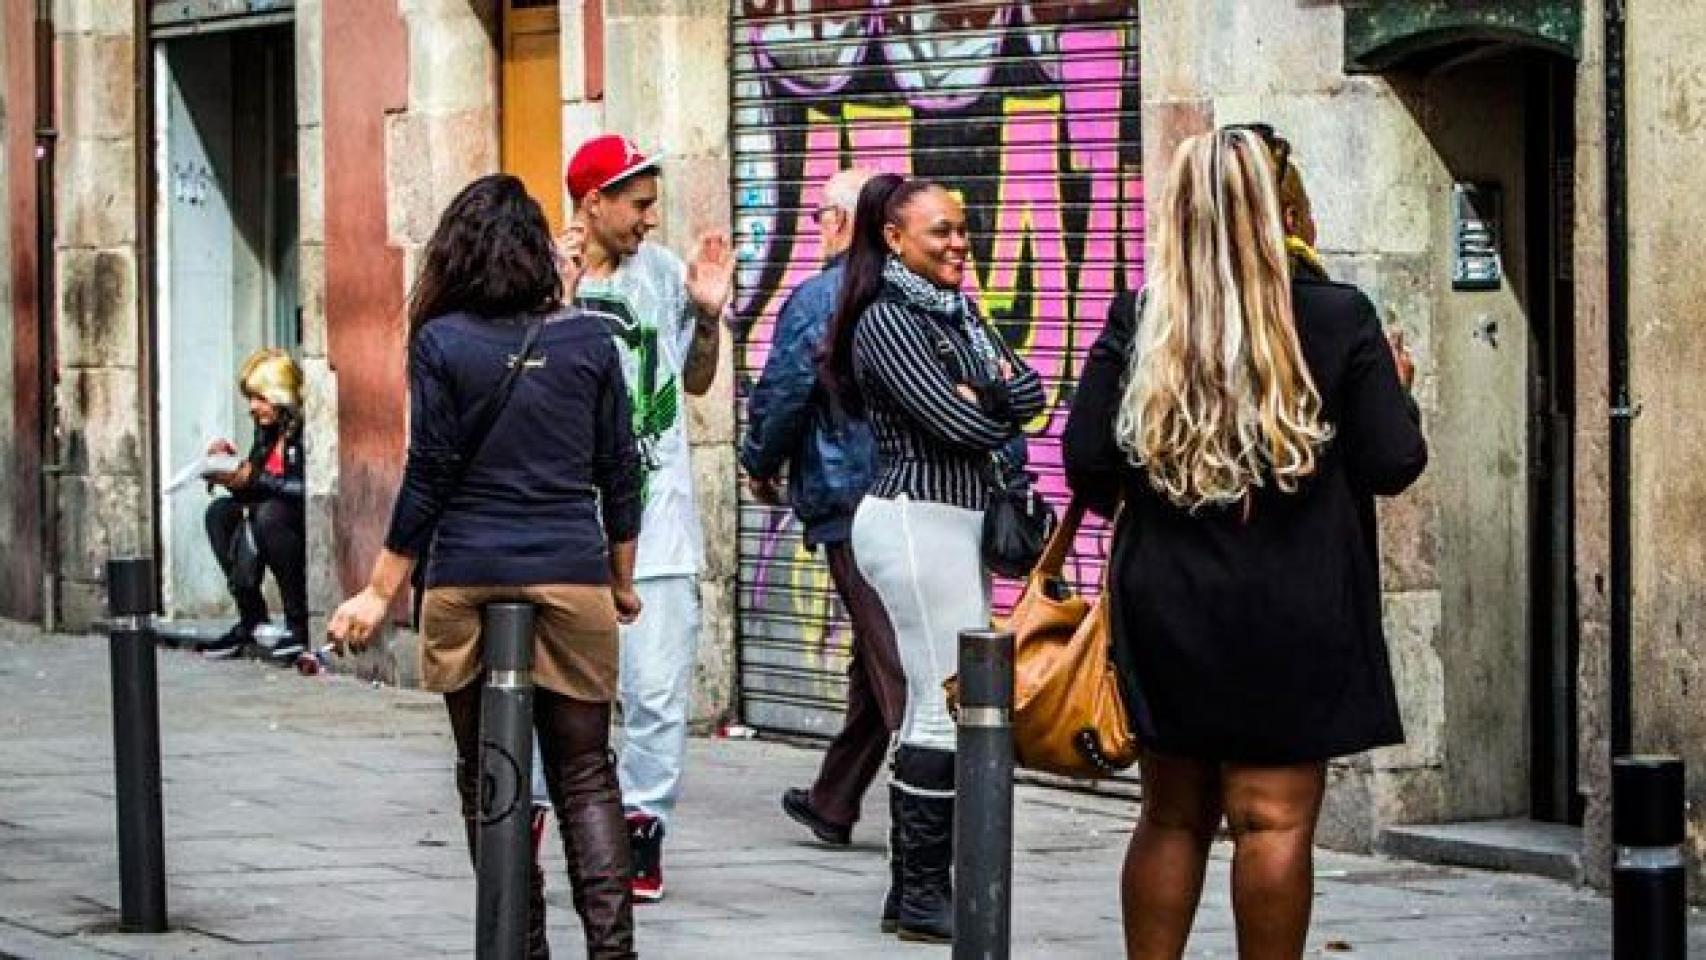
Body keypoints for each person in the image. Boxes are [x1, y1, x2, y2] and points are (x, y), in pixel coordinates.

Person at [1062, 128, 1426, 959]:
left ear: (1177, 217)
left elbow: (1085, 460)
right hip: (1296, 605)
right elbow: (1391, 461)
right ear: (1278, 211)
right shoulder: (1339, 318)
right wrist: (1395, 392)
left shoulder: (1141, 316)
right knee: (1273, 821)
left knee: (1171, 815)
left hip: (1170, 606)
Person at [327, 174, 643, 959]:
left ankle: (517, 944)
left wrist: (379, 588)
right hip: (573, 574)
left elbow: (428, 472)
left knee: (487, 770)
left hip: (466, 577)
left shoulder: (441, 341)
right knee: (586, 774)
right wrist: (622, 576)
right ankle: (613, 952)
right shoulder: (589, 339)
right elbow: (621, 470)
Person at [822, 175, 1045, 942]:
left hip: (957, 521)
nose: (958, 243)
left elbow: (1032, 394)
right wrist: (987, 399)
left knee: (943, 697)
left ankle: (913, 891)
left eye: (961, 228)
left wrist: (982, 394)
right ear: (893, 238)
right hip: (915, 518)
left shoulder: (956, 312)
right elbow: (959, 422)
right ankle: (922, 889)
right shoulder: (885, 321)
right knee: (941, 701)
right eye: (940, 231)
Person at [563, 134, 736, 904]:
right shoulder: (545, 273)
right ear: (592, 202)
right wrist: (558, 292)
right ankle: (538, 817)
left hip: (657, 519)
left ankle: (641, 828)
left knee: (658, 691)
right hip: (564, 519)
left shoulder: (662, 274)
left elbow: (696, 383)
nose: (648, 219)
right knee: (556, 689)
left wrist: (706, 317)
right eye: (636, 205)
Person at [741, 168, 907, 850]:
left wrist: (758, 461)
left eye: (817, 216)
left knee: (894, 662)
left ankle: (943, 817)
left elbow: (783, 392)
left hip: (849, 501)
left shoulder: (818, 297)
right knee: (878, 653)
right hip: (912, 495)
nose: (813, 229)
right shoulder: (914, 290)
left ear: (842, 222)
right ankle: (833, 800)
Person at [199, 348, 308, 664]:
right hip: (267, 514)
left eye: (260, 398)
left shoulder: (303, 430)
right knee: (220, 513)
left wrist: (256, 478)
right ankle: (251, 617)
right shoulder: (267, 432)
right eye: (251, 398)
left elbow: (308, 489)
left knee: (269, 515)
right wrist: (231, 472)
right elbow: (256, 486)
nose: (253, 407)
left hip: (293, 520)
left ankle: (297, 624)